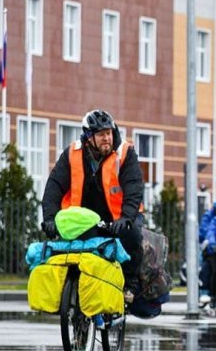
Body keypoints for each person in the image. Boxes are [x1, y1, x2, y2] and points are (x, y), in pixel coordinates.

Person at [41, 109, 144, 303]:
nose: (106, 138)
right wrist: (49, 218)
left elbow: (134, 188)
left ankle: (129, 283)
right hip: (86, 219)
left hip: (120, 216)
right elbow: (54, 186)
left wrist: (126, 217)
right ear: (89, 137)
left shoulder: (125, 153)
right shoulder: (72, 154)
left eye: (108, 133)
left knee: (132, 235)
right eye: (101, 134)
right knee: (75, 250)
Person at [198, 199, 216, 304]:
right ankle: (204, 291)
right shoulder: (208, 217)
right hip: (209, 246)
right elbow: (204, 231)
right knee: (207, 267)